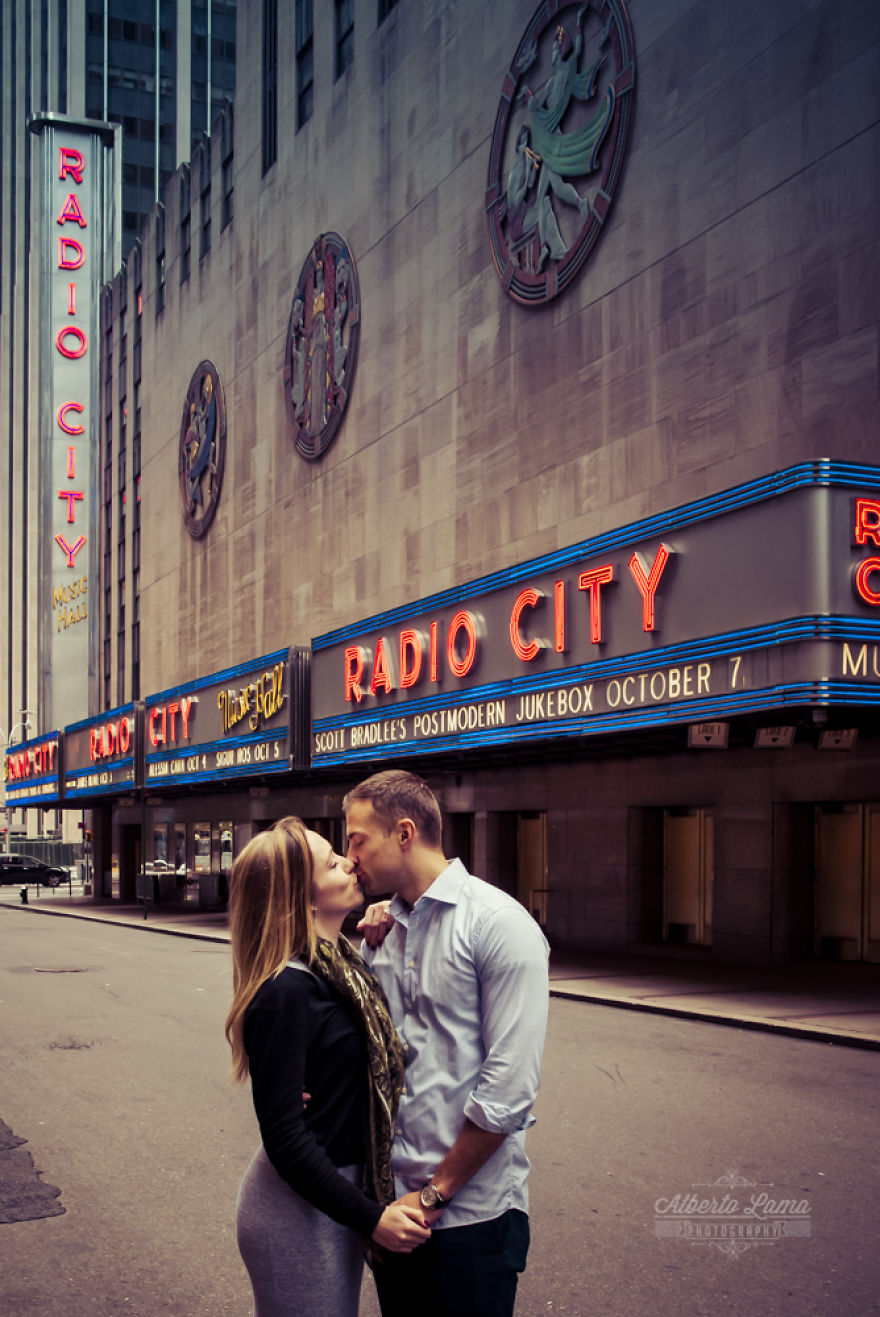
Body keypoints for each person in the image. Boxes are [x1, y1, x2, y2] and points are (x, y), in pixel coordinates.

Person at [344, 771, 550, 1317]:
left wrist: (434, 1196)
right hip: (393, 1216)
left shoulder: (499, 925)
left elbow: (508, 1091)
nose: (348, 857)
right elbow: (371, 1057)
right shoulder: (382, 933)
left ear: (404, 833)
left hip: (470, 1219)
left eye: (357, 839)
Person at [225, 817, 430, 1317]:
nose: (350, 862)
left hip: (333, 1194)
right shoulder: (286, 990)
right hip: (299, 1209)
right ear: (302, 895)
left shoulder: (342, 966)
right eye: (332, 862)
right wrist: (372, 1218)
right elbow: (287, 1141)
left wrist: (387, 920)